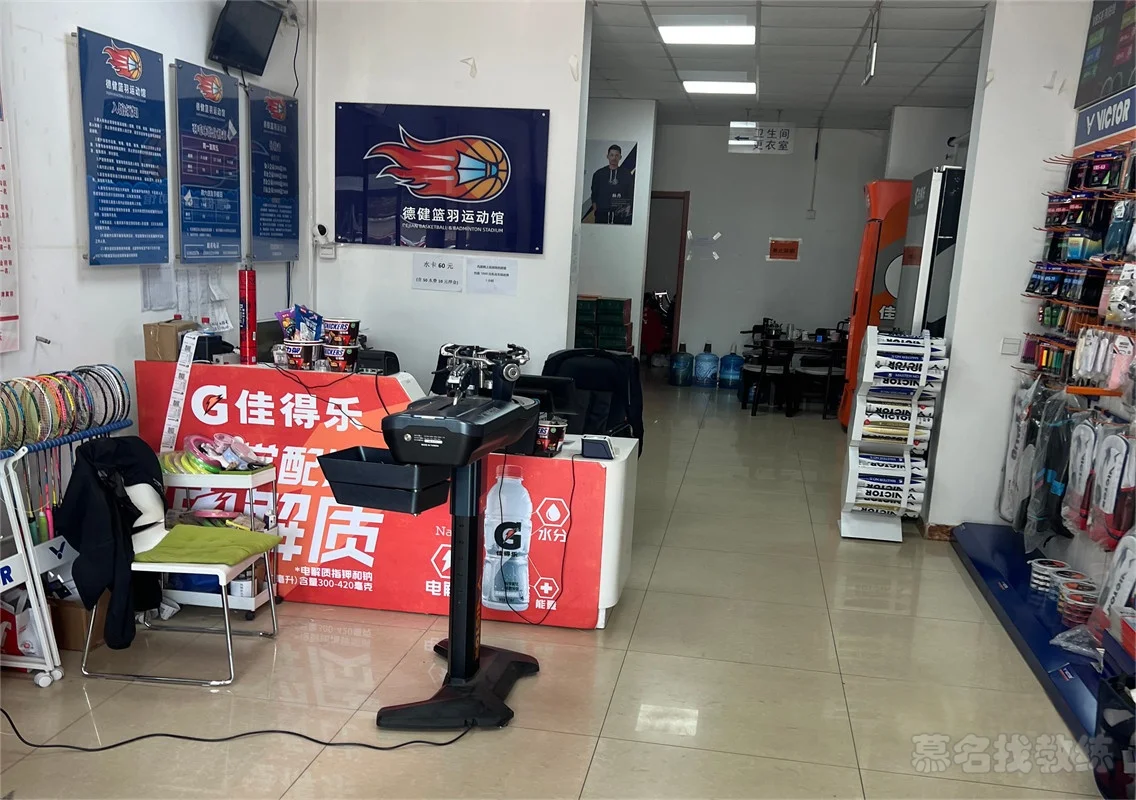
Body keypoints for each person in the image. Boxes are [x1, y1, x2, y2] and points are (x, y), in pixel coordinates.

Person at [589, 144, 634, 224]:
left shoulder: (626, 174)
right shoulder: (599, 174)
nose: (614, 158)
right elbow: (594, 193)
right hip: (602, 214)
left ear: (620, 157)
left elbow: (630, 193)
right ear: (608, 156)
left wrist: (627, 210)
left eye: (616, 155)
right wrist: (596, 209)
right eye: (612, 155)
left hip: (620, 214)